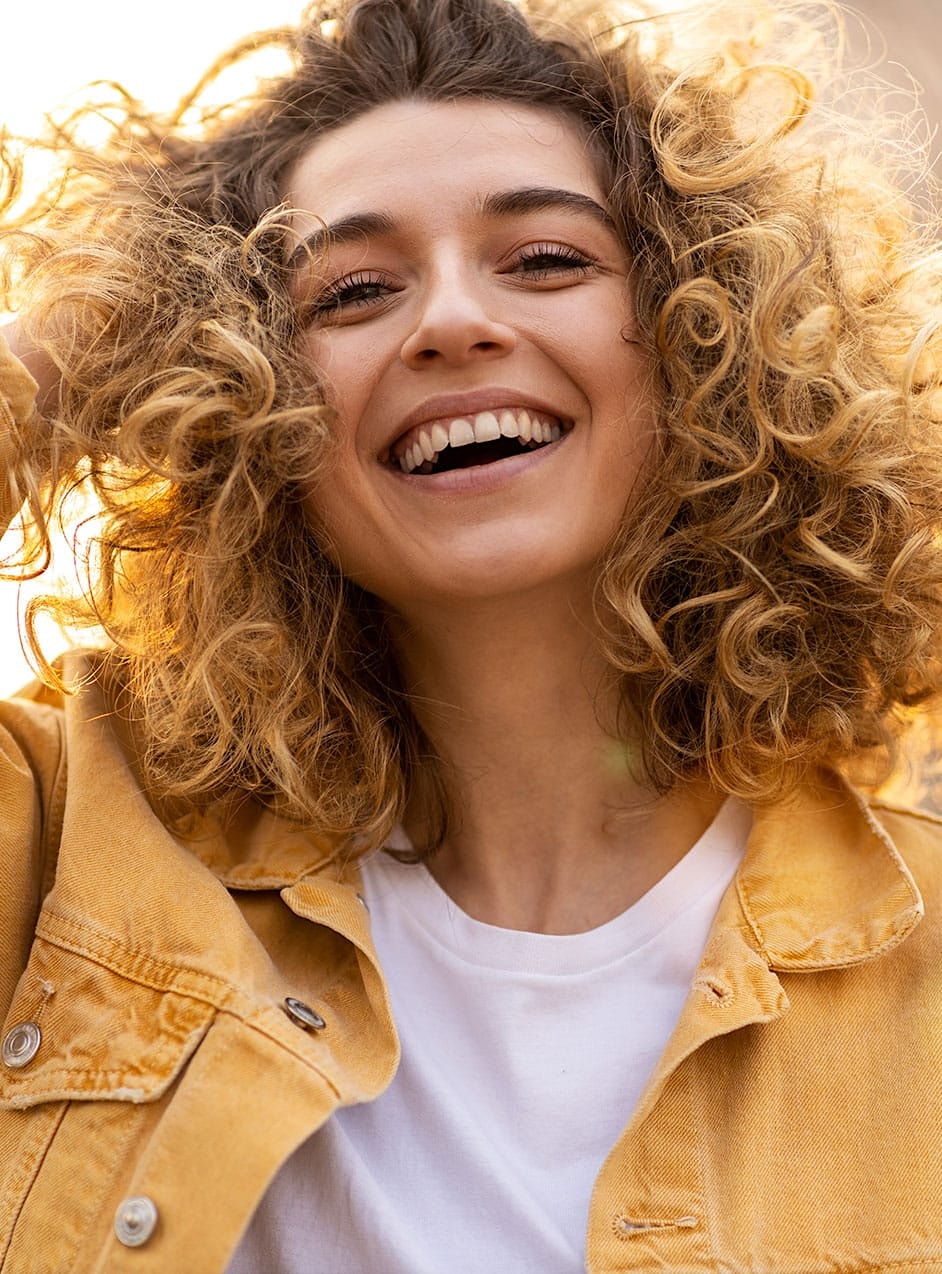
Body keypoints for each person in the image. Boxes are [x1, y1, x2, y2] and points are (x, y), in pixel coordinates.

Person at [1, 0, 942, 1269]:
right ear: (240, 389)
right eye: (352, 291)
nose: (450, 320)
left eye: (548, 260)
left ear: (708, 338)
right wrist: (81, 346)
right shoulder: (76, 849)